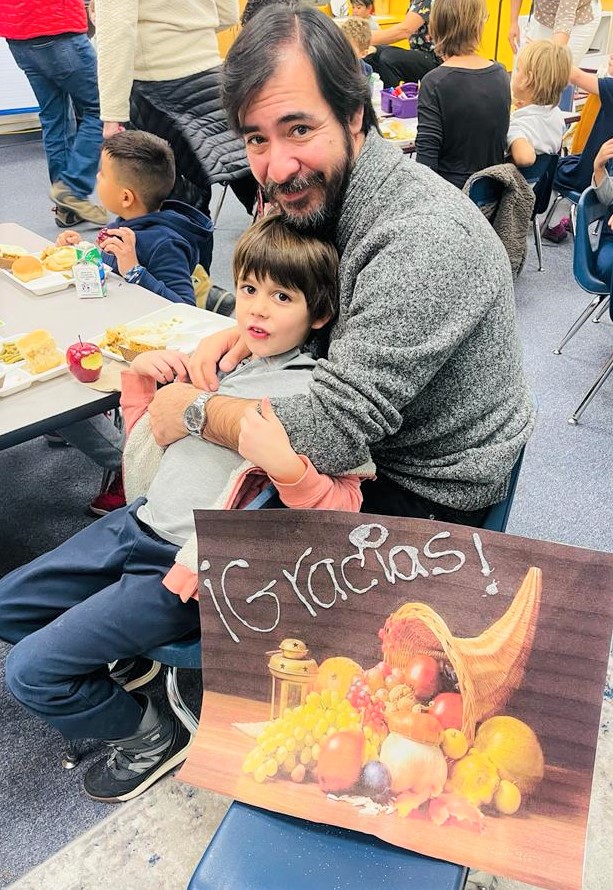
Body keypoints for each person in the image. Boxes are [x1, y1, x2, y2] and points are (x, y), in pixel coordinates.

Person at [0, 215, 372, 804]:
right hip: (140, 522)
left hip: (185, 570)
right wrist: (141, 387)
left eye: (282, 297)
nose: (257, 309)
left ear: (318, 315)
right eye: (249, 289)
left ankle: (152, 733)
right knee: (7, 606)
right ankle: (127, 662)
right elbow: (152, 458)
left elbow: (342, 510)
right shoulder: (226, 363)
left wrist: (291, 469)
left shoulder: (314, 397)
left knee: (29, 672)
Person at [147, 5, 535, 528]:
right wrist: (248, 335)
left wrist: (194, 412)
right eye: (257, 138)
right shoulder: (325, 191)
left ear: (354, 116)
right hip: (368, 443)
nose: (277, 168)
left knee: (171, 555)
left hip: (421, 491)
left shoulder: (423, 240)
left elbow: (331, 432)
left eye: (300, 128)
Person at [54, 129, 215, 516]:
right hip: (118, 328)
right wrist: (84, 252)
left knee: (60, 385)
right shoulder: (128, 222)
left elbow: (182, 307)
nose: (96, 180)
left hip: (149, 356)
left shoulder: (161, 242)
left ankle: (129, 463)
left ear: (126, 196)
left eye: (101, 175)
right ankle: (84, 426)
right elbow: (109, 268)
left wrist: (135, 269)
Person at [94, 0, 256, 217]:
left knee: (175, 211)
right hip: (211, 76)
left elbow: (117, 31)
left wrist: (112, 116)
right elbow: (227, 13)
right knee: (261, 191)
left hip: (154, 86)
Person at [0, 0, 106, 226]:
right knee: (102, 109)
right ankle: (72, 188)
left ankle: (67, 209)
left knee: (54, 118)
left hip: (19, 36)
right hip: (58, 29)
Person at [415, 0, 511, 189]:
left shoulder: (434, 82)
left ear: (436, 26)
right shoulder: (501, 74)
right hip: (492, 194)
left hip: (452, 198)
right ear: (478, 27)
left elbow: (426, 166)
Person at [507, 41, 572, 168]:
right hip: (544, 184)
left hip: (517, 186)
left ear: (527, 79)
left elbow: (525, 158)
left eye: (518, 69)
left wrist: (510, 132)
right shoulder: (556, 116)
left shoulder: (518, 126)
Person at [366, 0, 440, 89]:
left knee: (389, 58)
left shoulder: (426, 2)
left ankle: (393, 100)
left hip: (436, 57)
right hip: (420, 53)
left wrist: (362, 38)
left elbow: (405, 30)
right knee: (373, 52)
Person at [508, 0, 602, 66]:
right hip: (545, 15)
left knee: (558, 69)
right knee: (531, 65)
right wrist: (513, 22)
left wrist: (552, 55)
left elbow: (565, 17)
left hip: (578, 18)